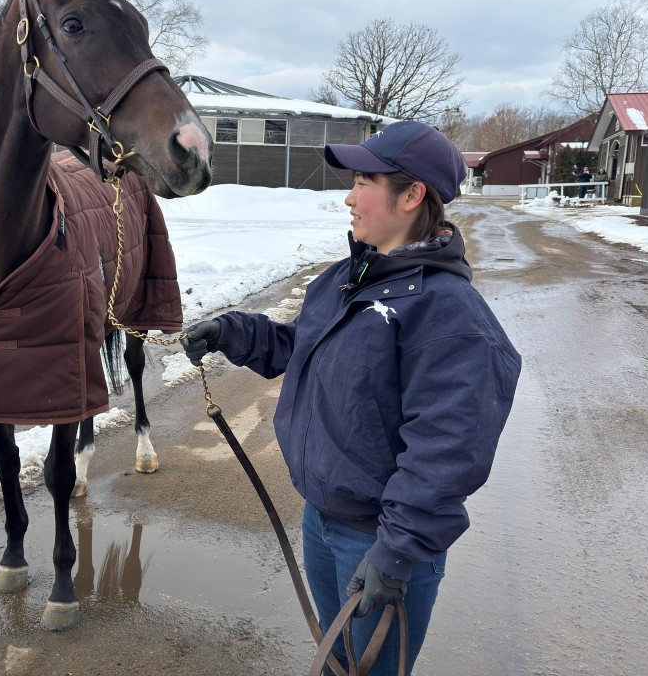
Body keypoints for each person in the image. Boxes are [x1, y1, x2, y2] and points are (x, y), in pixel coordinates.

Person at [182, 120, 521, 675]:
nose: (348, 196)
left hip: (379, 541)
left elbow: (448, 448)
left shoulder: (450, 316)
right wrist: (235, 334)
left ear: (412, 196)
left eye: (365, 181)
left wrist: (396, 551)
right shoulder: (349, 277)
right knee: (337, 662)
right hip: (321, 520)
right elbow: (301, 345)